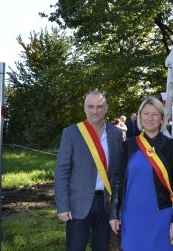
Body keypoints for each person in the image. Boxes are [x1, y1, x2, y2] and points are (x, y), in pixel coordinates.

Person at [110, 96, 173, 251]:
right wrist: (113, 213)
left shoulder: (171, 146)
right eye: (146, 113)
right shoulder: (128, 146)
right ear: (139, 117)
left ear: (162, 118)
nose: (150, 118)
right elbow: (118, 181)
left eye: (155, 114)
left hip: (161, 216)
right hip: (131, 216)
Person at [54, 90, 124, 251]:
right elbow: (62, 171)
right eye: (91, 106)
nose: (95, 111)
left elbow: (118, 173)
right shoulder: (71, 133)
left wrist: (116, 206)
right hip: (78, 203)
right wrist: (62, 205)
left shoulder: (116, 134)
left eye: (99, 106)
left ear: (106, 108)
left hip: (105, 203)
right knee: (75, 247)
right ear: (85, 108)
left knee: (101, 247)